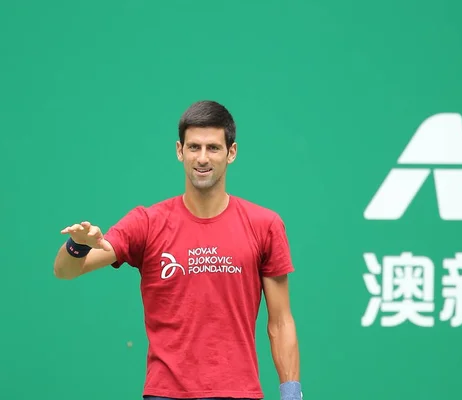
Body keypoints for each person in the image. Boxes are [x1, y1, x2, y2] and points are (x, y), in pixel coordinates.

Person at [53, 100, 302, 400]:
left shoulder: (265, 224)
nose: (202, 158)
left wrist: (291, 393)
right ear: (179, 151)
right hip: (165, 394)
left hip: (238, 393)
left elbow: (281, 321)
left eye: (213, 148)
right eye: (194, 147)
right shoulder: (147, 222)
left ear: (231, 153)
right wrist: (77, 244)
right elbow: (66, 271)